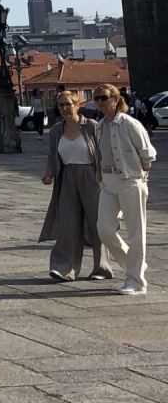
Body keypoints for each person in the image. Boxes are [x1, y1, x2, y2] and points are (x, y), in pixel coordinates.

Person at [39, 90, 110, 283]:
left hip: (91, 176)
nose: (64, 108)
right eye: (60, 105)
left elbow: (103, 152)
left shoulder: (92, 126)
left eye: (68, 104)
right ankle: (63, 268)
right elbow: (52, 154)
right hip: (67, 177)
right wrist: (49, 173)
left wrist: (107, 177)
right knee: (67, 224)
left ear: (77, 105)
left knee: (97, 223)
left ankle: (101, 267)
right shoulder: (55, 130)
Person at [93, 85, 157, 296]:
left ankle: (136, 281)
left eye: (104, 97)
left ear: (115, 99)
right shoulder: (100, 126)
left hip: (130, 180)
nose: (100, 102)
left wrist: (141, 175)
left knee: (135, 232)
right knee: (104, 229)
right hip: (108, 182)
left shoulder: (130, 123)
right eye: (97, 98)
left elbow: (147, 152)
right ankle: (134, 263)